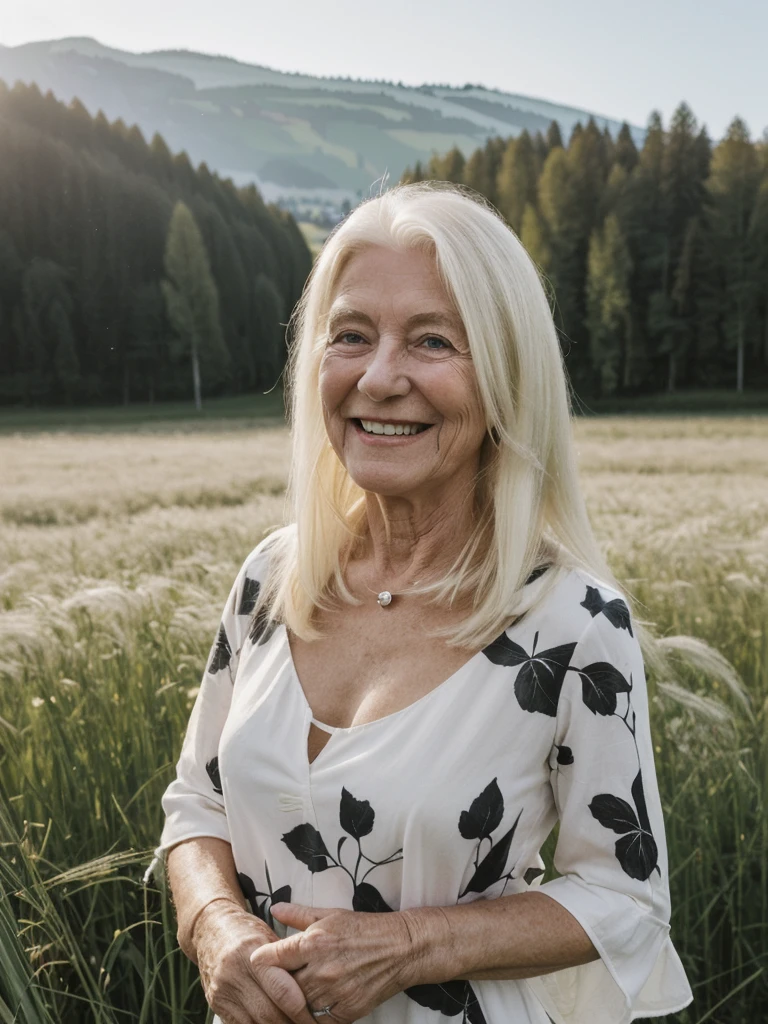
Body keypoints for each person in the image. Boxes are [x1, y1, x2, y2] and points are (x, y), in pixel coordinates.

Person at [152, 182, 694, 1024]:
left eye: (432, 341)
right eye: (352, 337)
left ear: (508, 378)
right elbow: (198, 802)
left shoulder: (574, 629)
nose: (378, 377)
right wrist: (214, 925)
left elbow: (626, 896)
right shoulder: (271, 579)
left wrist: (406, 945)